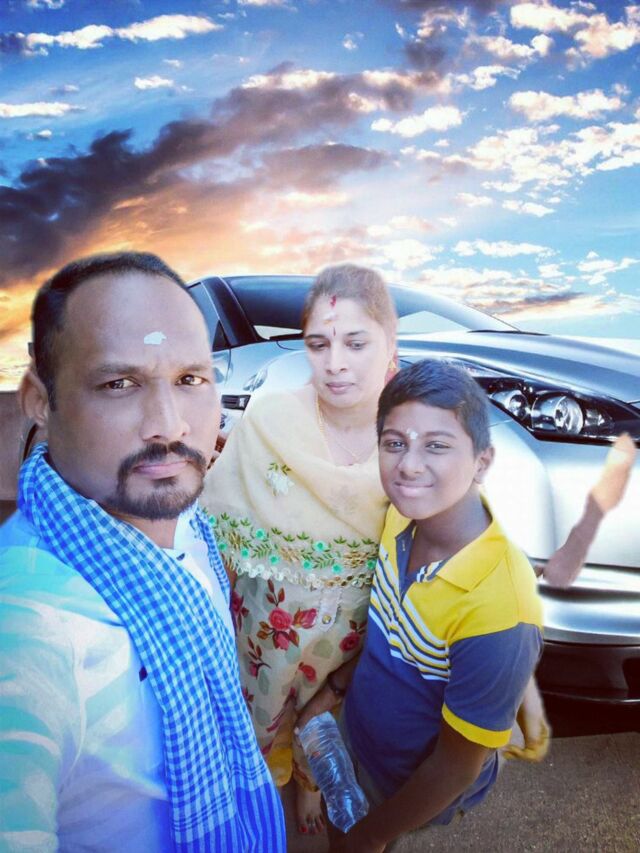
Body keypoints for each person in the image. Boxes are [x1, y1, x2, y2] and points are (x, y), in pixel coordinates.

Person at [0, 252, 286, 852]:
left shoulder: (186, 519)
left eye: (190, 380)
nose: (169, 425)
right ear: (40, 401)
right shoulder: (31, 623)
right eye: (118, 384)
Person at [297, 359, 545, 851]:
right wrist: (337, 688)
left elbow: (455, 767)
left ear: (482, 462)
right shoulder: (399, 518)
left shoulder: (500, 614)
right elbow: (388, 632)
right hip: (359, 734)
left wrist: (371, 835)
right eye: (394, 443)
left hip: (409, 782)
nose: (408, 465)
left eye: (436, 445)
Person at [201, 264, 398, 834]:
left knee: (328, 727)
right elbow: (218, 517)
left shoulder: (406, 439)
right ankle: (267, 785)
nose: (335, 363)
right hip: (267, 632)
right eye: (319, 344)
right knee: (262, 720)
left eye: (356, 343)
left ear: (390, 346)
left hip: (348, 640)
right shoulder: (271, 419)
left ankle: (309, 783)